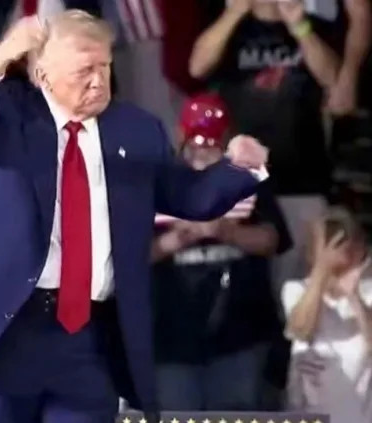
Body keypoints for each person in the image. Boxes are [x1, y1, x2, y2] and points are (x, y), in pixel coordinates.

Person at [0, 11, 269, 423]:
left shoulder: (137, 131)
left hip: (85, 341)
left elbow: (188, 195)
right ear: (43, 74)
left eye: (105, 66)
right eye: (85, 69)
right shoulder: (6, 116)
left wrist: (241, 169)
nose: (99, 80)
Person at [152, 93, 291, 411]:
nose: (203, 152)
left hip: (240, 337)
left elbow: (273, 239)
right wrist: (180, 237)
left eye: (212, 144)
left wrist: (226, 232)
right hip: (171, 342)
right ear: (180, 135)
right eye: (196, 143)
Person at [189, 0, 341, 290]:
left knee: (303, 289)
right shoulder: (228, 27)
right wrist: (234, 13)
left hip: (302, 182)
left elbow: (332, 76)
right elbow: (197, 66)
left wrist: (299, 26)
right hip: (245, 188)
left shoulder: (310, 25)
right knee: (252, 292)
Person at [282, 208, 372, 422]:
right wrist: (322, 270)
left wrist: (354, 297)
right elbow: (301, 330)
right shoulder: (295, 289)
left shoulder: (369, 291)